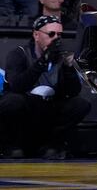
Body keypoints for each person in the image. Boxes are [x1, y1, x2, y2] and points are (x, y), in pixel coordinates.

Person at [0, 15, 90, 158]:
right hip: (26, 111)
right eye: (51, 34)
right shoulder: (19, 54)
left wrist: (68, 68)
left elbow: (72, 92)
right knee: (12, 102)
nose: (56, 39)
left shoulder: (61, 57)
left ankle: (52, 145)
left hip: (48, 110)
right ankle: (11, 145)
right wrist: (42, 62)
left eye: (59, 35)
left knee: (80, 104)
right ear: (36, 35)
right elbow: (17, 86)